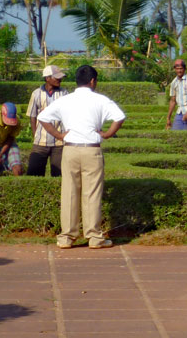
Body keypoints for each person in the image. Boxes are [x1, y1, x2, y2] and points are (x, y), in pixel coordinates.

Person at [36, 65, 126, 249]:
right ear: (92, 81)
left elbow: (43, 118)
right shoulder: (101, 100)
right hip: (91, 149)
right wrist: (107, 134)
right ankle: (93, 237)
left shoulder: (65, 100)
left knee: (69, 192)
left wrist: (60, 135)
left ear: (76, 80)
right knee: (92, 193)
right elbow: (120, 117)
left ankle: (67, 237)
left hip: (70, 149)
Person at [26, 65, 68, 177]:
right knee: (34, 173)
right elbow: (32, 116)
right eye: (57, 78)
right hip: (40, 141)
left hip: (59, 141)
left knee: (59, 174)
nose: (60, 80)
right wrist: (35, 134)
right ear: (47, 78)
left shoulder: (64, 93)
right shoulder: (36, 94)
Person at [166, 58, 187, 131]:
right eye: (177, 69)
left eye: (181, 68)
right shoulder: (174, 82)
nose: (179, 71)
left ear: (184, 69)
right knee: (175, 134)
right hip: (180, 112)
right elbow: (173, 101)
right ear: (175, 69)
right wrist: (168, 118)